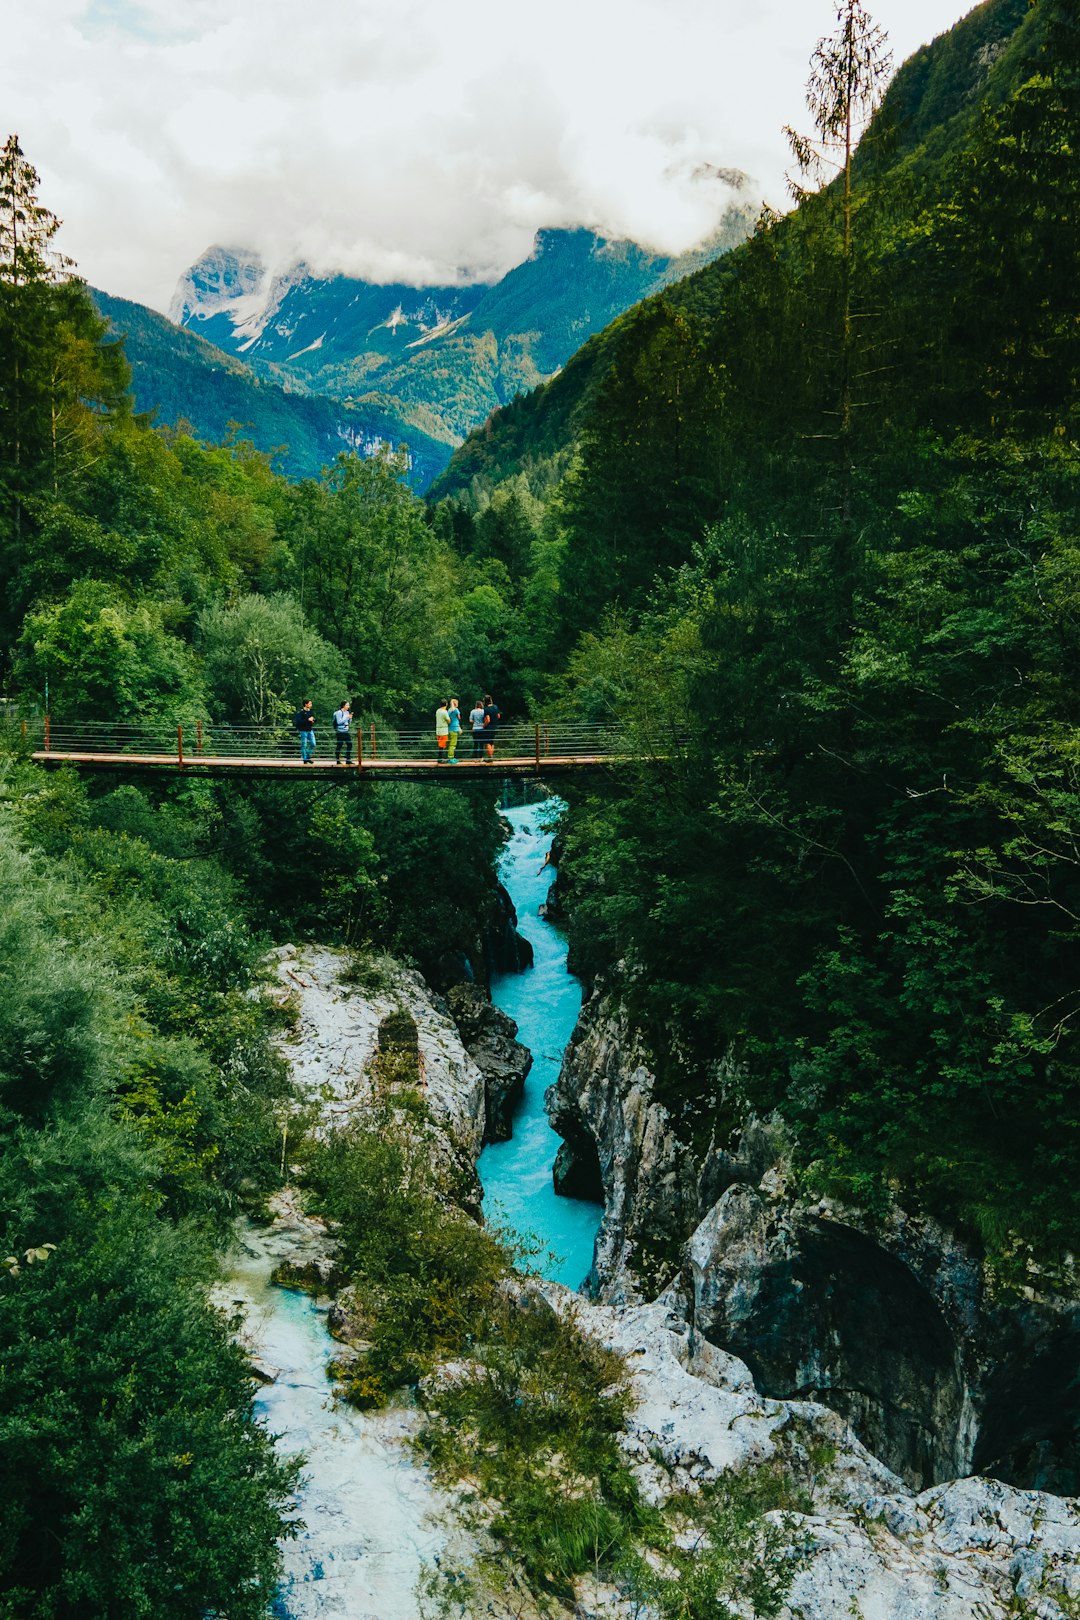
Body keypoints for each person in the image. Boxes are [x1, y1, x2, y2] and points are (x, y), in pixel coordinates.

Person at [294, 698, 316, 763]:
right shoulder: (300, 713)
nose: (311, 705)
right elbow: (299, 722)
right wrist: (308, 720)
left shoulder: (311, 712)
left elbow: (314, 719)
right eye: (310, 704)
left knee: (313, 743)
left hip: (310, 729)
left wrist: (313, 720)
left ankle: (307, 757)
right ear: (306, 704)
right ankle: (305, 759)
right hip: (303, 730)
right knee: (304, 745)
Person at [332, 699, 353, 765]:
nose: (348, 706)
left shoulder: (347, 712)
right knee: (339, 745)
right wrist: (347, 717)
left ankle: (348, 759)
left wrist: (350, 718)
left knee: (349, 744)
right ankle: (338, 760)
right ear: (343, 705)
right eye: (347, 705)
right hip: (340, 731)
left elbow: (348, 722)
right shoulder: (338, 713)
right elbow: (339, 722)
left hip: (346, 730)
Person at [482, 692, 501, 761]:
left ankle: (490, 757)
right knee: (492, 742)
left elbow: (487, 720)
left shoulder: (486, 709)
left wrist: (483, 726)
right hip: (494, 726)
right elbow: (498, 716)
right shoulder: (495, 707)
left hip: (489, 727)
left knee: (487, 742)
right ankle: (491, 756)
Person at [447, 697, 462, 762]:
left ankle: (450, 757)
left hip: (449, 728)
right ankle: (451, 758)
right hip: (455, 728)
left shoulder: (449, 710)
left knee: (450, 743)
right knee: (453, 744)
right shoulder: (456, 710)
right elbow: (459, 718)